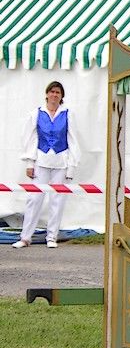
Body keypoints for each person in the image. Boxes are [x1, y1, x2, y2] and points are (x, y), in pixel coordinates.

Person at [13, 81, 81, 249]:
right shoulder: (37, 113)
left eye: (58, 92)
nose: (54, 95)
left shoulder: (68, 114)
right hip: (41, 161)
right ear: (47, 94)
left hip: (61, 162)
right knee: (34, 199)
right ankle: (25, 237)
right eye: (52, 91)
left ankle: (52, 237)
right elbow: (30, 139)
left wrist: (71, 166)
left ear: (61, 96)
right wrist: (30, 163)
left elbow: (73, 140)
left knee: (57, 200)